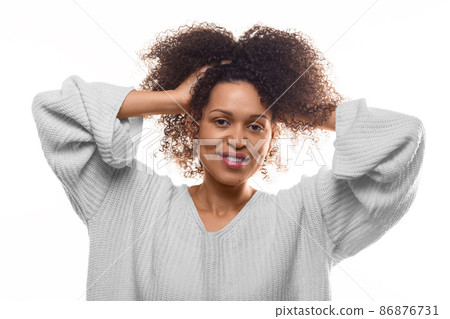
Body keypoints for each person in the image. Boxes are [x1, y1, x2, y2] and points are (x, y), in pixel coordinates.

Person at [31, 23, 425, 301]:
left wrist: (297, 108)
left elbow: (403, 139)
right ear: (192, 127)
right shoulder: (126, 200)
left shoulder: (310, 214)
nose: (237, 140)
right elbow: (55, 111)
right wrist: (175, 98)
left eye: (255, 126)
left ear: (272, 139)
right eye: (220, 121)